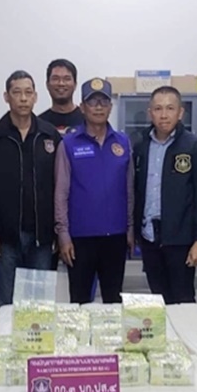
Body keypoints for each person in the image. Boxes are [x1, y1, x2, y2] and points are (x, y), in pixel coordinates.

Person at [0, 70, 61, 306]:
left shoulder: (49, 135)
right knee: (6, 305)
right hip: (5, 238)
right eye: (17, 92)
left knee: (39, 306)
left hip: (41, 237)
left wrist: (58, 231)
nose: (23, 98)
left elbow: (60, 187)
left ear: (35, 96)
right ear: (6, 97)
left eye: (28, 92)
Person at [54, 78, 134, 304]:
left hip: (116, 236)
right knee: (79, 302)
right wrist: (63, 234)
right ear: (82, 107)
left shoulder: (123, 142)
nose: (98, 107)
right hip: (80, 238)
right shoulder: (69, 144)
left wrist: (130, 228)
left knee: (113, 301)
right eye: (92, 102)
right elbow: (60, 193)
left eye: (103, 102)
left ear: (110, 107)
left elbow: (129, 189)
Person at [133, 85, 197, 304]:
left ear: (180, 112)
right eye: (158, 109)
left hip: (181, 240)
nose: (164, 115)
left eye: (170, 108)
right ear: (150, 112)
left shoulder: (194, 147)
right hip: (149, 238)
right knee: (158, 301)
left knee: (183, 300)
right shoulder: (140, 146)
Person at [40, 59, 85, 136]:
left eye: (67, 79)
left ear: (75, 84)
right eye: (55, 78)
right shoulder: (38, 124)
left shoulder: (87, 121)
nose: (61, 83)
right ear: (47, 84)